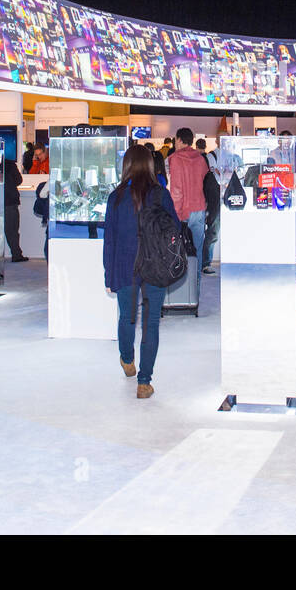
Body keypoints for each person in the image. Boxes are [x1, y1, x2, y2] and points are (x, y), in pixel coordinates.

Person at [103, 144, 182, 399]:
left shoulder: (115, 198)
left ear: (125, 166)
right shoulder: (160, 194)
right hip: (155, 264)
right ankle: (144, 382)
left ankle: (127, 359)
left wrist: (108, 275)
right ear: (150, 165)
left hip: (125, 265)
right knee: (151, 323)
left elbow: (110, 240)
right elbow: (175, 230)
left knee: (126, 316)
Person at [166, 127, 209, 307]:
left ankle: (178, 294)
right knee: (197, 254)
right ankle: (194, 294)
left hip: (181, 211)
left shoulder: (174, 159)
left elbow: (175, 190)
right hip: (199, 209)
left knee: (177, 253)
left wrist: (175, 214)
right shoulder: (200, 159)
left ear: (179, 140)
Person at [3, 151, 27, 263]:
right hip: (10, 200)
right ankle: (16, 254)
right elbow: (19, 180)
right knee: (12, 229)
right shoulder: (9, 164)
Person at [200, 158, 219, 274]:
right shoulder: (208, 177)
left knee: (210, 236)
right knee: (210, 236)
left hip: (209, 210)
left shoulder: (207, 177)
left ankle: (205, 263)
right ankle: (205, 264)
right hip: (209, 210)